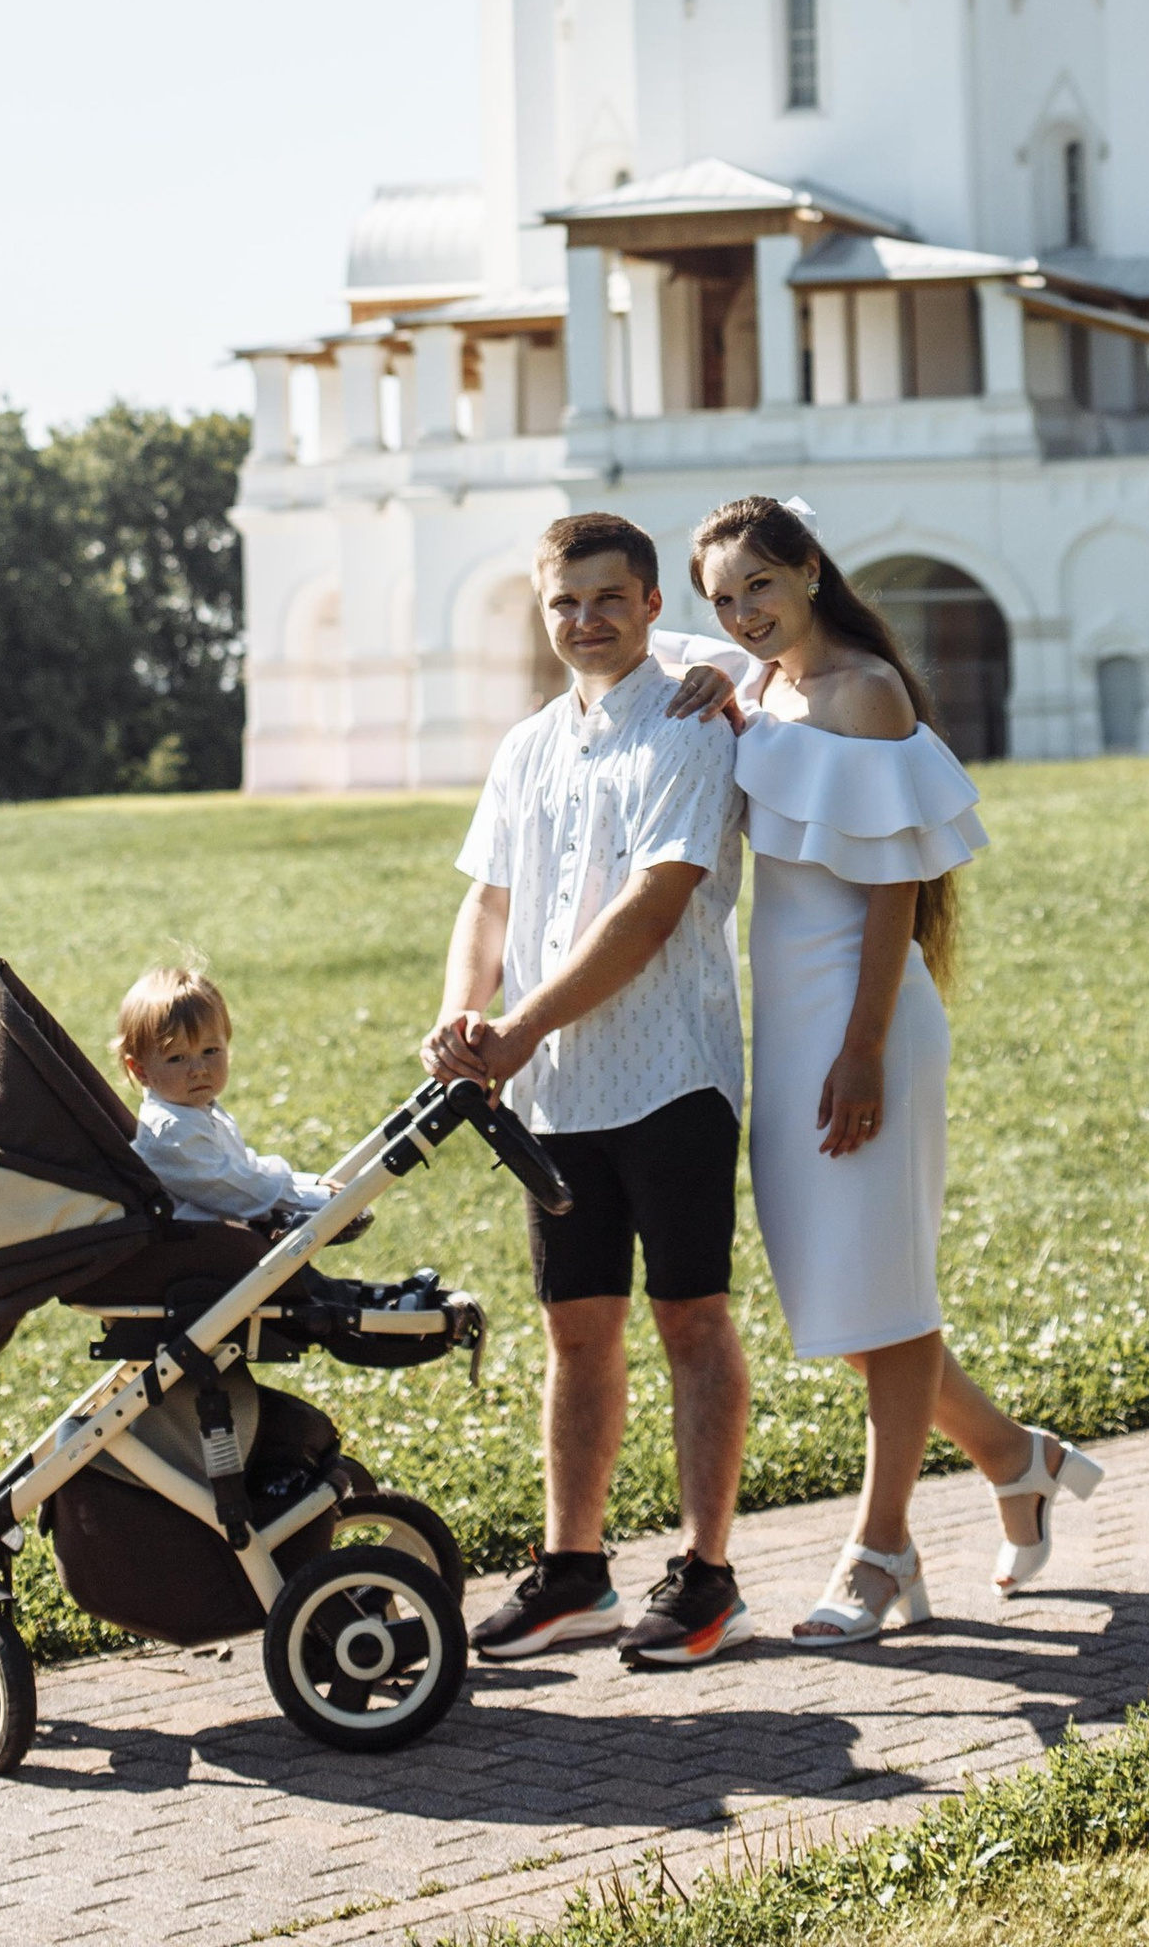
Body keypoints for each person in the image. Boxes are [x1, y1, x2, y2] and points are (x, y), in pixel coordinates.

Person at [686, 494, 1101, 1643]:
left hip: (865, 1026)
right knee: (855, 1299)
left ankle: (883, 1554)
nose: (743, 614)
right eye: (723, 600)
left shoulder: (864, 690)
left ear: (810, 569)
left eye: (759, 586)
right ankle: (1018, 1461)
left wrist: (862, 1048)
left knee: (885, 1293)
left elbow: (891, 893)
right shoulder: (756, 691)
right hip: (790, 1032)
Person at [424, 511, 754, 1671]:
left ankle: (707, 1577)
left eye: (608, 598)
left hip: (672, 1074)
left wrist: (515, 1029)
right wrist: (469, 1014)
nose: (585, 620)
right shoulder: (526, 746)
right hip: (552, 1093)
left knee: (690, 1319)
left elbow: (653, 908)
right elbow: (489, 898)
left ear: (652, 602)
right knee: (575, 1332)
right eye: (564, 602)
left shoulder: (689, 719)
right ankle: (574, 1573)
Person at [116, 960, 345, 1228]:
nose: (199, 1069)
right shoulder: (170, 1132)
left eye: (210, 1051)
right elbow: (232, 1190)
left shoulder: (197, 1110)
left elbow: (241, 1169)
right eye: (177, 1058)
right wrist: (311, 1198)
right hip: (202, 1249)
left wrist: (306, 1183)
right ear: (141, 1070)